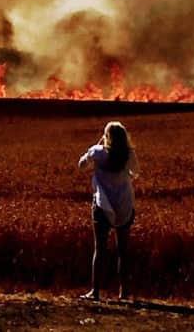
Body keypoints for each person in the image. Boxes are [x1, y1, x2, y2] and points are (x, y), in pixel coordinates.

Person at [78, 121, 138, 301]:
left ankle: (95, 291)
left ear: (107, 136)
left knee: (100, 249)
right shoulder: (129, 154)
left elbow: (82, 165)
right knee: (123, 250)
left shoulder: (97, 152)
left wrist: (97, 146)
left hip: (102, 205)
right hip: (124, 205)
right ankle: (124, 292)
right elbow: (135, 172)